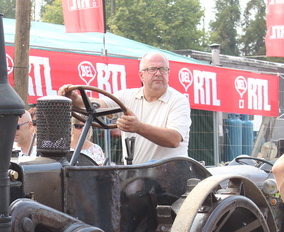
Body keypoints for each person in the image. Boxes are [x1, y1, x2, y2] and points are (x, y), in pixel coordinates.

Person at [58, 51, 190, 164]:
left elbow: (174, 139)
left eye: (163, 69)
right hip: (135, 175)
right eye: (152, 69)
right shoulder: (127, 96)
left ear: (168, 73)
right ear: (141, 75)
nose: (158, 73)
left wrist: (139, 127)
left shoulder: (178, 101)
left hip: (170, 176)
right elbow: (96, 105)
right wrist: (76, 100)